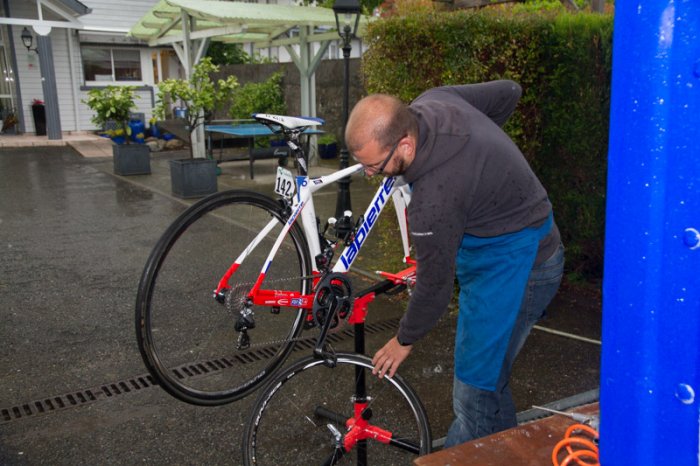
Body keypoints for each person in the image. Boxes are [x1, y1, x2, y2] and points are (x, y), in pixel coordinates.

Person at [345, 80, 565, 447]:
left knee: (476, 390)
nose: (371, 175)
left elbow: (434, 287)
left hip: (522, 265)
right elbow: (510, 91)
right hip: (511, 242)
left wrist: (404, 340)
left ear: (405, 144)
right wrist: (484, 162)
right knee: (490, 381)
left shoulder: (433, 201)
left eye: (375, 166)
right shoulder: (433, 100)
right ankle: (508, 453)